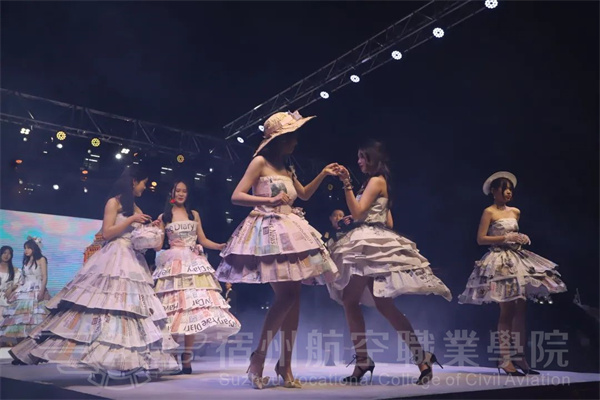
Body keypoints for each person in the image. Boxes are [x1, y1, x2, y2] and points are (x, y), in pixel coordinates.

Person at [9, 165, 178, 380]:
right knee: (98, 309)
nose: (145, 187)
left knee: (129, 310)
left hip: (133, 260)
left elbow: (136, 238)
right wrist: (130, 220)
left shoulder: (135, 206)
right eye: (144, 183)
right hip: (114, 257)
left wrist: (150, 227)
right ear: (134, 181)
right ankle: (45, 351)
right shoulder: (114, 202)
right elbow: (107, 233)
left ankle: (120, 360)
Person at [216, 110, 339, 389]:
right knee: (287, 297)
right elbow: (236, 196)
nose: (295, 141)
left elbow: (303, 195)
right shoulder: (259, 162)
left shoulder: (288, 167)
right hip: (269, 232)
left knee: (294, 298)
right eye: (292, 136)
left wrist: (323, 173)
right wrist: (269, 200)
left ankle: (285, 365)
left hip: (290, 230)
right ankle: (258, 357)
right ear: (280, 139)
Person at [328, 140, 452, 385]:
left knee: (352, 300)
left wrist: (346, 184)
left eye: (362, 157)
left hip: (369, 242)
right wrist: (361, 216)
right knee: (382, 305)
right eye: (358, 157)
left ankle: (365, 360)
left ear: (372, 158)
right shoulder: (376, 182)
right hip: (372, 239)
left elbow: (360, 212)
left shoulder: (375, 181)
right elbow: (389, 221)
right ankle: (420, 357)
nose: (358, 161)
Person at [458, 171, 567, 375]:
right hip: (500, 263)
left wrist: (519, 238)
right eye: (504, 189)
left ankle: (519, 357)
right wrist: (506, 238)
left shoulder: (515, 211)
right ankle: (504, 358)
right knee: (507, 310)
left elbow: (513, 234)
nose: (508, 193)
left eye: (510, 190)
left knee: (520, 310)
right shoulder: (489, 212)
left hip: (517, 260)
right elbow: (481, 239)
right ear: (494, 191)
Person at [153, 180, 241, 375]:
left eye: (184, 191)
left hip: (193, 264)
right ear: (172, 192)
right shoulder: (164, 216)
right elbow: (158, 246)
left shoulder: (194, 214)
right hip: (173, 265)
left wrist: (218, 246)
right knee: (174, 311)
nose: (181, 194)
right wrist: (155, 230)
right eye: (178, 190)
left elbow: (203, 239)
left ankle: (187, 359)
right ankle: (172, 356)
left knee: (191, 311)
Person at [0, 237, 49, 349]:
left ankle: (34, 346)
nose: (26, 250)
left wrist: (42, 291)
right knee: (21, 318)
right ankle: (21, 347)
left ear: (34, 248)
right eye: (25, 248)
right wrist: (14, 290)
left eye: (28, 248)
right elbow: (23, 279)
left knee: (35, 316)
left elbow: (45, 277)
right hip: (25, 289)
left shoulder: (41, 259)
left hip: (37, 288)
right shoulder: (26, 261)